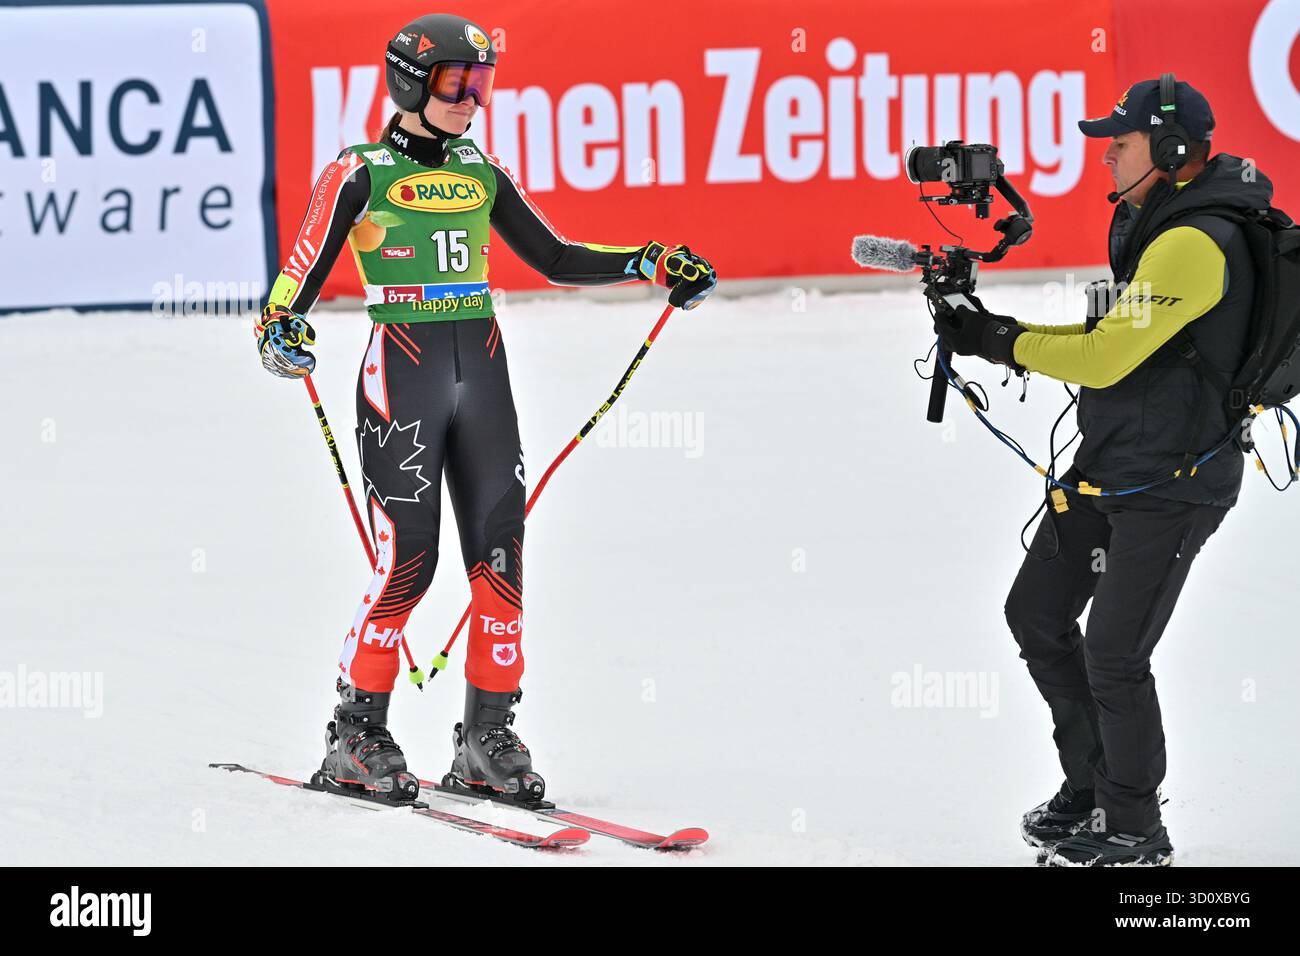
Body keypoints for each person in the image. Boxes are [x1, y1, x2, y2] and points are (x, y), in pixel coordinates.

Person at [254, 12, 717, 805]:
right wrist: (281, 331)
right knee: (409, 558)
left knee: (500, 555)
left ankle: (485, 736)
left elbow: (556, 255)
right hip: (403, 375)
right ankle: (357, 732)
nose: (472, 98)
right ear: (409, 81)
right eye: (454, 83)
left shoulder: (478, 168)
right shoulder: (358, 171)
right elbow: (290, 288)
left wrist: (648, 260)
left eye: (481, 82)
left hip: (484, 371)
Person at [932, 75, 1272, 865]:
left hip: (1176, 481)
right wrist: (987, 327)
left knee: (1116, 655)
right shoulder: (1156, 221)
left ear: (1173, 149)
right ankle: (1091, 787)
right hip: (1115, 461)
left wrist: (1000, 340)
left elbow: (1108, 354)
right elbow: (1118, 342)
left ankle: (1134, 827)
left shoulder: (1194, 240)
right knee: (1038, 616)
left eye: (1119, 142)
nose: (1106, 155)